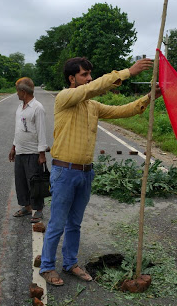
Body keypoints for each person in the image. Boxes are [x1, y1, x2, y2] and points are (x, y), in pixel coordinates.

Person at [39, 58, 161, 285]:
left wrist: (149, 98)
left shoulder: (92, 106)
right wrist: (128, 72)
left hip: (85, 173)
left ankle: (70, 263)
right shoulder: (64, 98)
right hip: (64, 172)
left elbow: (122, 111)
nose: (89, 78)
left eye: (90, 74)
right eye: (84, 75)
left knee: (75, 224)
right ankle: (47, 267)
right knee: (57, 223)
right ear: (72, 78)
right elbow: (94, 87)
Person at [9, 77, 48, 223]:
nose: (16, 94)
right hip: (20, 151)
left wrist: (42, 154)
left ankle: (38, 210)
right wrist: (13, 147)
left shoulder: (38, 108)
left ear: (23, 92)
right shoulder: (20, 107)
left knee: (34, 183)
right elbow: (18, 129)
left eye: (17, 91)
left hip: (33, 152)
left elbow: (41, 132)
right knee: (21, 182)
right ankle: (27, 206)